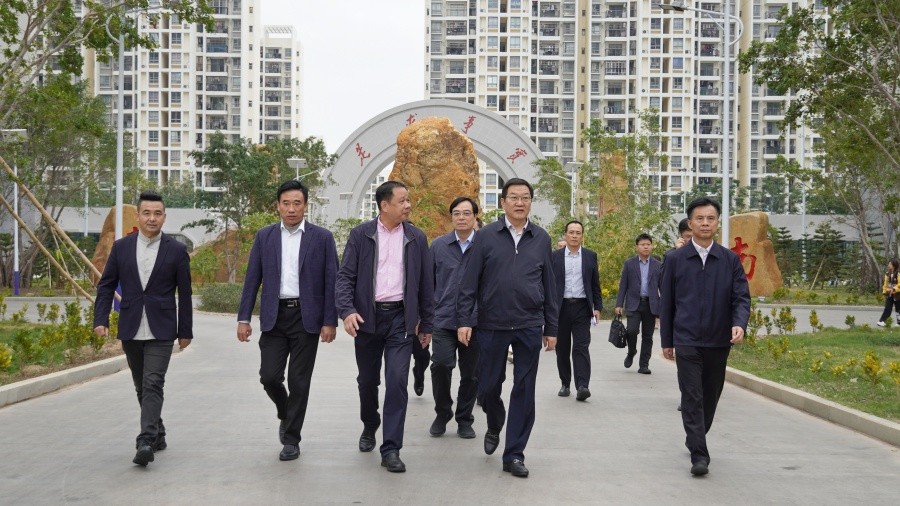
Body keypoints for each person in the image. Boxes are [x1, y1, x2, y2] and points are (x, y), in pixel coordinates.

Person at [457, 178, 559, 479]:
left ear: (530, 203)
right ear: (503, 202)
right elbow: (469, 282)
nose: (519, 202)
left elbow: (549, 284)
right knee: (488, 387)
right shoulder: (486, 236)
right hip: (492, 323)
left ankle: (514, 454)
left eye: (525, 197)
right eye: (513, 197)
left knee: (524, 390)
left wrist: (551, 327)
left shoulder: (541, 238)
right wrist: (464, 320)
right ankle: (494, 420)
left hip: (529, 323)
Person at [236, 179, 339, 461]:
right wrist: (243, 318)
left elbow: (332, 281)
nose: (291, 209)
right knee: (269, 377)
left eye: (297, 203)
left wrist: (330, 321)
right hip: (274, 317)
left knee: (299, 382)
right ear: (278, 206)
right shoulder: (265, 237)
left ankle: (292, 439)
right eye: (286, 203)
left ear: (306, 206)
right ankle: (285, 411)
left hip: (307, 318)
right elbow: (252, 280)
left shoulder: (322, 238)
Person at [336, 180, 434, 473]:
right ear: (384, 205)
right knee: (367, 381)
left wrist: (427, 324)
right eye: (402, 201)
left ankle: (391, 448)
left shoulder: (416, 237)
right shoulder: (361, 235)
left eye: (408, 200)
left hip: (401, 320)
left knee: (397, 382)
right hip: (367, 319)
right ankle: (370, 424)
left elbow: (426, 285)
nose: (408, 205)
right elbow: (345, 277)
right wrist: (347, 311)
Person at [93, 190, 192, 467]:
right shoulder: (122, 248)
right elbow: (106, 285)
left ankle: (145, 441)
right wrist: (100, 319)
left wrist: (185, 331)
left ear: (164, 217)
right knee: (141, 385)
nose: (152, 218)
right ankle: (158, 432)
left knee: (153, 382)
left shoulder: (176, 250)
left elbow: (185, 294)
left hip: (162, 328)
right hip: (131, 326)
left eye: (157, 213)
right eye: (146, 213)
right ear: (138, 216)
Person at [659, 196, 751, 476]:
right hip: (686, 339)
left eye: (710, 218)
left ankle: (695, 435)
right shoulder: (675, 259)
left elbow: (741, 297)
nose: (705, 223)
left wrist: (739, 323)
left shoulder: (729, 260)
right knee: (692, 396)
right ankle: (699, 454)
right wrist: (667, 341)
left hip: (718, 340)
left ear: (717, 222)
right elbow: (667, 302)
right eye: (699, 218)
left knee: (710, 396)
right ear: (690, 223)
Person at [428, 196, 480, 439]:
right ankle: (442, 412)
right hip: (443, 319)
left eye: (466, 213)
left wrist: (473, 317)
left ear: (475, 217)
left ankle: (464, 419)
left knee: (472, 373)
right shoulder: (439, 246)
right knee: (440, 364)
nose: (461, 218)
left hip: (476, 322)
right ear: (451, 217)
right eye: (457, 213)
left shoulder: (485, 246)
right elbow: (428, 283)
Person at [551, 220, 602, 401]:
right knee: (562, 349)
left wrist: (597, 307)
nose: (574, 236)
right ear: (565, 235)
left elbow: (595, 284)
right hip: (561, 308)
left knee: (581, 347)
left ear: (582, 236)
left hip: (582, 307)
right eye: (571, 232)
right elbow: (548, 285)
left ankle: (582, 385)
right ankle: (565, 383)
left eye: (578, 233)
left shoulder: (590, 256)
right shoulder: (554, 257)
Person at [615, 234, 661, 374]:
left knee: (647, 336)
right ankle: (631, 351)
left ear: (651, 246)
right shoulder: (629, 264)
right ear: (637, 247)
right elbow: (623, 285)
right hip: (634, 303)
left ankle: (644, 365)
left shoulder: (658, 265)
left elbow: (662, 287)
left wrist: (664, 305)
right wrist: (619, 304)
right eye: (643, 244)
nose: (646, 247)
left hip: (650, 304)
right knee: (632, 331)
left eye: (648, 244)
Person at [876, 259, 900, 327]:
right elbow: (885, 284)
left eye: (890, 264)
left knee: (898, 309)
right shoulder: (887, 274)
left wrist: (894, 289)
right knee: (887, 308)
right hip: (890, 294)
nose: (888, 265)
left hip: (898, 295)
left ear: (894, 265)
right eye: (889, 264)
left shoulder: (898, 273)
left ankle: (899, 323)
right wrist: (884, 293)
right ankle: (882, 321)